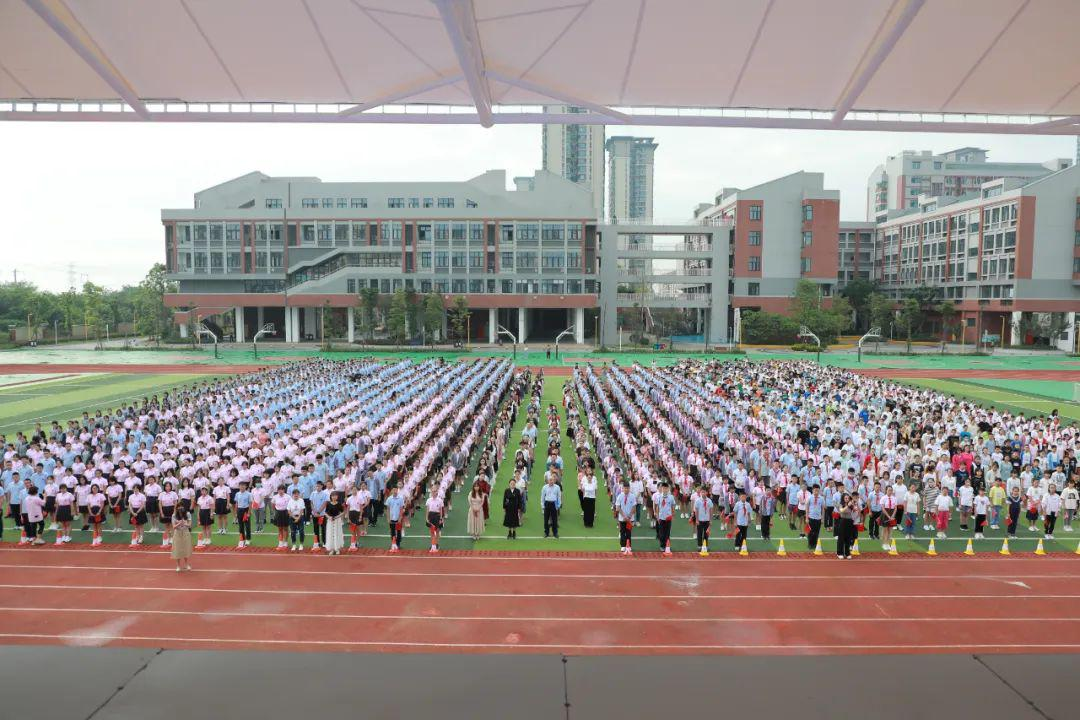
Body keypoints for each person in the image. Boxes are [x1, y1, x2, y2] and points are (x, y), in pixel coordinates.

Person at [615, 480, 636, 554]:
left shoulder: (632, 496)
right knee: (622, 531)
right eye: (625, 488)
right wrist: (624, 516)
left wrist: (629, 516)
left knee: (629, 532)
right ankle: (623, 545)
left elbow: (634, 507)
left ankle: (629, 546)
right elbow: (618, 507)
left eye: (627, 488)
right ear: (622, 488)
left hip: (630, 518)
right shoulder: (620, 496)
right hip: (622, 518)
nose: (626, 489)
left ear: (629, 488)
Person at [654, 482, 675, 554]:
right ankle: (662, 545)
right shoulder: (659, 497)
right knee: (661, 532)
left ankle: (667, 545)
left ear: (668, 489)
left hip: (668, 517)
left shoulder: (671, 497)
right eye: (663, 488)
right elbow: (657, 507)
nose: (665, 490)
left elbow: (672, 506)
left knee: (667, 532)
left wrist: (673, 514)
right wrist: (657, 516)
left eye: (666, 488)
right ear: (661, 489)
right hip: (661, 517)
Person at [171, 505, 193, 572]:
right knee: (177, 548)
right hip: (177, 533)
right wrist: (179, 523)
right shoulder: (174, 515)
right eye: (179, 509)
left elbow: (189, 525)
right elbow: (174, 527)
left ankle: (186, 564)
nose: (180, 511)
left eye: (182, 509)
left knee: (186, 548)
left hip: (186, 532)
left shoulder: (188, 514)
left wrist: (184, 523)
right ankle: (178, 565)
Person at [691, 486, 712, 552]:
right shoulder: (698, 500)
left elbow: (711, 510)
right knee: (699, 533)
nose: (703, 493)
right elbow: (696, 510)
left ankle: (705, 545)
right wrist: (696, 519)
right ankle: (699, 546)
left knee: (706, 534)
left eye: (704, 492)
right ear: (700, 493)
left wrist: (710, 520)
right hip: (700, 520)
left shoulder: (709, 500)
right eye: (702, 492)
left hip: (707, 520)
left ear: (707, 493)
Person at [540, 474, 562, 539]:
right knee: (546, 519)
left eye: (552, 480)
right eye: (550, 480)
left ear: (554, 480)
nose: (551, 481)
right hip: (547, 504)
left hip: (554, 504)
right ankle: (546, 532)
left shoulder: (557, 487)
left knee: (555, 519)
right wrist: (542, 505)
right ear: (547, 481)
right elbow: (542, 497)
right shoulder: (544, 487)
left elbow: (559, 497)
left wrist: (558, 505)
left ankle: (555, 532)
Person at [325, 490, 345, 555]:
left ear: (337, 497)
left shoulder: (339, 504)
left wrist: (336, 517)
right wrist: (329, 517)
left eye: (335, 496)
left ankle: (337, 549)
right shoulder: (328, 504)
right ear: (331, 497)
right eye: (332, 496)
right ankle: (332, 549)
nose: (334, 497)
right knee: (330, 534)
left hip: (337, 521)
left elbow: (343, 512)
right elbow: (325, 512)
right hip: (330, 521)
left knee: (337, 533)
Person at [233, 480, 252, 549]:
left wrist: (249, 512)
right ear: (239, 486)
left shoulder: (249, 494)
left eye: (243, 485)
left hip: (246, 510)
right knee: (240, 525)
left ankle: (248, 539)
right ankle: (242, 538)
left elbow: (250, 504)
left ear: (246, 486)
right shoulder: (237, 494)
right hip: (239, 510)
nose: (242, 487)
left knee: (247, 525)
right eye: (241, 486)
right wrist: (235, 512)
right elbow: (236, 503)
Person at [425, 488, 444, 552]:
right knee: (432, 531)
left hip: (437, 516)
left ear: (437, 492)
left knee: (437, 531)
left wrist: (441, 518)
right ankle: (433, 544)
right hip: (431, 516)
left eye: (435, 491)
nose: (433, 492)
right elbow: (427, 510)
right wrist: (427, 518)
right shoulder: (428, 500)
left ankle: (436, 544)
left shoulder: (440, 500)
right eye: (432, 491)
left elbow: (441, 510)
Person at [806, 485, 825, 550]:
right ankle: (810, 544)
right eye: (815, 490)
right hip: (811, 517)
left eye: (817, 490)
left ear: (819, 490)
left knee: (816, 532)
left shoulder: (821, 498)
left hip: (818, 518)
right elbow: (807, 508)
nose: (816, 492)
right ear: (812, 490)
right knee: (810, 532)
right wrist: (806, 517)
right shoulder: (810, 497)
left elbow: (822, 509)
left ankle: (815, 544)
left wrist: (822, 518)